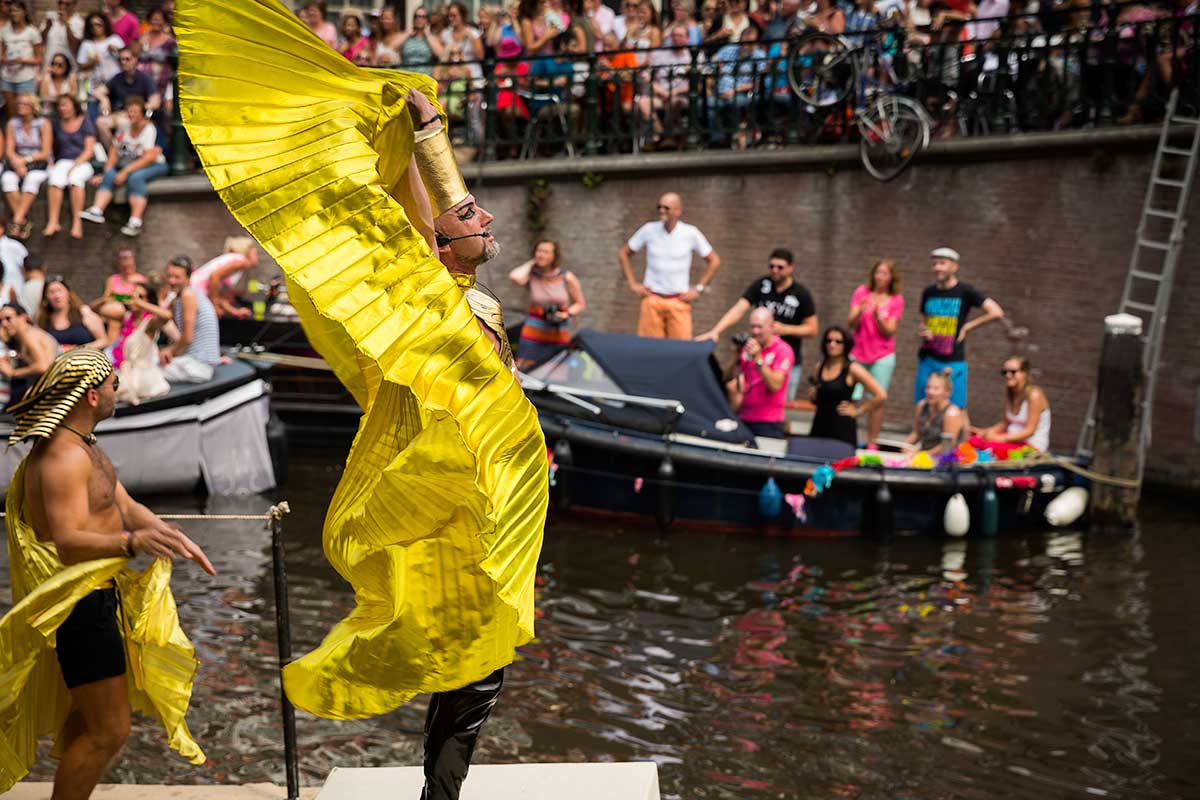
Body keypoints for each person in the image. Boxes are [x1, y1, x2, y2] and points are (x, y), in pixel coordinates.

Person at [175, 6, 549, 797]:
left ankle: (436, 791)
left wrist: (433, 135)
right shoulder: (424, 303)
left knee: (473, 661)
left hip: (491, 500)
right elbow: (418, 223)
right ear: (436, 243)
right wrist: (419, 140)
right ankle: (437, 796)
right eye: (469, 217)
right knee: (476, 665)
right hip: (462, 497)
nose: (487, 222)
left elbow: (446, 218)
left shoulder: (464, 296)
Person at [0, 348, 214, 798]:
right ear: (93, 396)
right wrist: (132, 544)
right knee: (109, 732)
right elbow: (67, 539)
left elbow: (126, 506)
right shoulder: (62, 456)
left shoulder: (85, 446)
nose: (120, 390)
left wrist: (170, 535)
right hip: (80, 610)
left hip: (101, 598)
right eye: (115, 384)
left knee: (86, 721)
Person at [697, 247, 817, 401]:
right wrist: (716, 331)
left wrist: (784, 329)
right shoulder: (762, 284)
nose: (775, 270)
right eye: (771, 266)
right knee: (754, 399)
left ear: (791, 267)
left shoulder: (800, 293)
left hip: (786, 357)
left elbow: (812, 329)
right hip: (759, 354)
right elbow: (739, 308)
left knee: (782, 403)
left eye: (780, 267)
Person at [619, 191, 721, 340]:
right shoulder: (649, 230)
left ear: (678, 211)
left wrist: (698, 288)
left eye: (666, 208)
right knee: (649, 350)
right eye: (659, 207)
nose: (661, 211)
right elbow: (624, 253)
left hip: (678, 301)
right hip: (652, 299)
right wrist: (633, 284)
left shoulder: (690, 233)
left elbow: (714, 261)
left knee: (681, 349)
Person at [916, 246, 1004, 410]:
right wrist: (923, 331)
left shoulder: (965, 291)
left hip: (953, 359)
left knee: (954, 409)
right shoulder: (928, 292)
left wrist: (967, 327)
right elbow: (924, 322)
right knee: (923, 407)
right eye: (935, 264)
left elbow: (996, 312)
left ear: (954, 267)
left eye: (942, 263)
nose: (937, 268)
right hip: (927, 359)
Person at [82, 96, 168, 237]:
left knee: (135, 178)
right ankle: (97, 210)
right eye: (129, 111)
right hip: (127, 164)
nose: (131, 115)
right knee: (110, 174)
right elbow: (114, 153)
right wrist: (106, 174)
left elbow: (149, 157)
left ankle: (135, 221)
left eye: (135, 112)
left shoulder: (151, 129)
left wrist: (126, 172)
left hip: (154, 164)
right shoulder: (124, 127)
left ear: (142, 113)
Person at [847, 258, 904, 448]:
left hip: (882, 356)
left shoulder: (896, 299)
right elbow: (851, 324)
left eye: (884, 273)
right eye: (877, 272)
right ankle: (848, 436)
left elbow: (889, 331)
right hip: (858, 352)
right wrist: (860, 311)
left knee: (877, 399)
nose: (879, 276)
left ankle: (872, 442)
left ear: (891, 277)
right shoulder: (862, 292)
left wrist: (878, 317)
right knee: (851, 396)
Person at [509, 238, 586, 369]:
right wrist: (533, 262)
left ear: (554, 256)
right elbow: (515, 277)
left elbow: (580, 304)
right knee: (525, 368)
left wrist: (567, 314)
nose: (541, 254)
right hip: (533, 329)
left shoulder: (566, 277)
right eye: (539, 251)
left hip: (557, 329)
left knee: (557, 369)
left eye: (546, 252)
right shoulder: (532, 274)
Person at [806, 324, 886, 446]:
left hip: (841, 427)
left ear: (846, 344)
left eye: (838, 341)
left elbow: (881, 395)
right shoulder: (820, 366)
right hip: (820, 423)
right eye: (829, 341)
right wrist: (813, 395)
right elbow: (817, 397)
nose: (832, 345)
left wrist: (859, 411)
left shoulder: (852, 368)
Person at [724, 307, 793, 438]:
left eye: (760, 327)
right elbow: (726, 378)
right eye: (752, 327)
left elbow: (775, 385)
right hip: (743, 418)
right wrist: (735, 356)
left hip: (768, 423)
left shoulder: (783, 350)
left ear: (771, 327)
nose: (755, 331)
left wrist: (758, 358)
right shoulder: (747, 348)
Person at [968, 355, 1051, 456]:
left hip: (1031, 445)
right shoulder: (1010, 392)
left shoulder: (1034, 395)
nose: (1008, 375)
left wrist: (1000, 438)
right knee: (974, 440)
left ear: (1025, 373)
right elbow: (1005, 423)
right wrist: (984, 432)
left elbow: (1030, 431)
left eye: (1013, 372)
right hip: (1011, 439)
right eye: (1004, 372)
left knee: (987, 447)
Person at [157, 254, 220, 384]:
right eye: (169, 276)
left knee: (145, 370)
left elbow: (187, 339)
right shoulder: (183, 296)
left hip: (198, 366)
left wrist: (169, 351)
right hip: (198, 362)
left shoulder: (188, 295)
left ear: (187, 278)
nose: (172, 281)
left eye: (177, 277)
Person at [43, 94, 97, 239]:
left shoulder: (85, 121)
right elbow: (48, 146)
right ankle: (53, 221)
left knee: (75, 179)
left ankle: (77, 223)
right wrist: (50, 161)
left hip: (83, 162)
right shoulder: (54, 123)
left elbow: (89, 150)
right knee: (55, 180)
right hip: (62, 161)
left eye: (66, 104)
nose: (63, 108)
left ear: (74, 106)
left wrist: (75, 165)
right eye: (60, 105)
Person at [2, 93, 52, 240]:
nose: (21, 107)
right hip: (17, 163)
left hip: (38, 163)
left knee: (32, 179)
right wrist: (17, 162)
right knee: (7, 179)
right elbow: (9, 150)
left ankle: (17, 221)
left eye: (24, 104)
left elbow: (45, 152)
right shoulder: (12, 123)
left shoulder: (43, 123)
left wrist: (25, 160)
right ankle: (25, 221)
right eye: (19, 104)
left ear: (33, 107)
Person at [96, 46, 159, 148]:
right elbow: (99, 91)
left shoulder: (144, 78)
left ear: (135, 60)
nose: (123, 62)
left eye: (127, 59)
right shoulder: (118, 78)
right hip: (121, 114)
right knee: (101, 122)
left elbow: (155, 102)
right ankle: (113, 152)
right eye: (121, 59)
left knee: (123, 121)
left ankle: (124, 152)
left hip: (138, 116)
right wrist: (104, 99)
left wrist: (135, 110)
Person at [0, 301, 58, 404]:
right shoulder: (23, 337)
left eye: (8, 318)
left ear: (23, 318)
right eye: (1, 320)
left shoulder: (30, 335)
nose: (4, 324)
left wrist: (13, 373)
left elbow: (42, 366)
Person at [189, 236, 258, 319]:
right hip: (195, 294)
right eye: (255, 253)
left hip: (194, 294)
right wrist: (215, 305)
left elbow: (218, 294)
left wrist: (235, 312)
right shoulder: (241, 261)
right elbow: (214, 276)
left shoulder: (234, 259)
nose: (258, 257)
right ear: (248, 252)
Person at [904, 368, 967, 454]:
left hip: (946, 460)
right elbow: (916, 433)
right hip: (923, 456)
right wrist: (904, 445)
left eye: (936, 388)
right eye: (928, 387)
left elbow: (947, 446)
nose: (930, 391)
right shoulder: (922, 405)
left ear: (947, 392)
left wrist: (921, 455)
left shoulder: (952, 413)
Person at [76, 11, 123, 117]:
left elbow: (126, 58)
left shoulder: (114, 39)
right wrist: (92, 62)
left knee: (116, 112)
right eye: (92, 26)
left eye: (98, 24)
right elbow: (81, 65)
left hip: (115, 84)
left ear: (105, 25)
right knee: (94, 114)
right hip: (95, 86)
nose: (95, 28)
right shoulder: (87, 44)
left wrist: (115, 51)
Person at [0, 1, 43, 117]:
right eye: (12, 11)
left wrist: (22, 61)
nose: (14, 13)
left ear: (24, 12)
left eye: (17, 10)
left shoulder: (32, 32)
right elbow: (2, 54)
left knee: (27, 111)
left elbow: (39, 58)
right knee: (12, 113)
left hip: (26, 78)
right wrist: (5, 59)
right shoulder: (4, 31)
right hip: (7, 77)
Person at [40, 275, 106, 349]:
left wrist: (77, 350)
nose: (57, 296)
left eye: (59, 290)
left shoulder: (83, 313)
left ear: (68, 292)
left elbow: (103, 341)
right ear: (46, 297)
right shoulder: (43, 320)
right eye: (52, 292)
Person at [40, 0, 86, 71]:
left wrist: (67, 24)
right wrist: (47, 27)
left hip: (68, 69)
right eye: (60, 2)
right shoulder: (51, 17)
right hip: (48, 67)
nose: (62, 6)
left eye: (67, 4)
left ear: (74, 4)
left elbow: (75, 47)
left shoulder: (79, 22)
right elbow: (41, 41)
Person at [17, 250, 42, 314]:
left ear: (23, 269)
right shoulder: (52, 286)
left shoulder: (25, 289)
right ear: (44, 268)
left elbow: (25, 315)